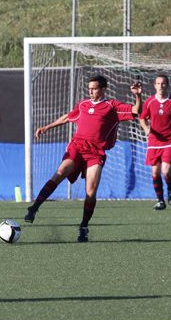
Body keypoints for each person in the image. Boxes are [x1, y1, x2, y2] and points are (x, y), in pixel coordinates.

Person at [24, 75, 142, 242]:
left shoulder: (112, 106)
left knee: (91, 192)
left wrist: (137, 95)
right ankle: (34, 207)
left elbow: (136, 110)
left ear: (103, 89)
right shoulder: (83, 105)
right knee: (60, 173)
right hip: (77, 147)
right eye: (89, 88)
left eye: (94, 88)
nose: (91, 91)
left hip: (96, 152)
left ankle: (84, 226)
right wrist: (47, 127)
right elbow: (67, 117)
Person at [139, 74, 171, 210]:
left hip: (169, 140)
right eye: (158, 83)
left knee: (166, 170)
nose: (161, 86)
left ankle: (170, 189)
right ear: (155, 85)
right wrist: (147, 129)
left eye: (163, 83)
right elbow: (142, 118)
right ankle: (160, 201)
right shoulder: (149, 102)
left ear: (168, 85)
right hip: (154, 141)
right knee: (155, 172)